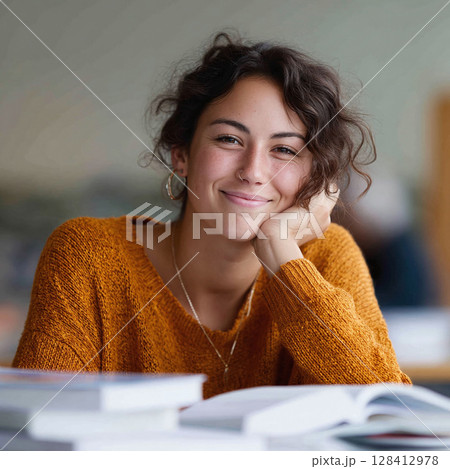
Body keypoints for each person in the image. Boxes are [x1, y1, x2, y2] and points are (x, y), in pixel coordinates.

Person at [12, 32, 411, 399]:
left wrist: (283, 257)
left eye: (285, 150)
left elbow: (388, 414)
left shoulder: (325, 259)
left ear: (315, 175)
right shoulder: (89, 255)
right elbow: (37, 429)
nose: (254, 171)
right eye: (229, 139)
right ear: (181, 156)